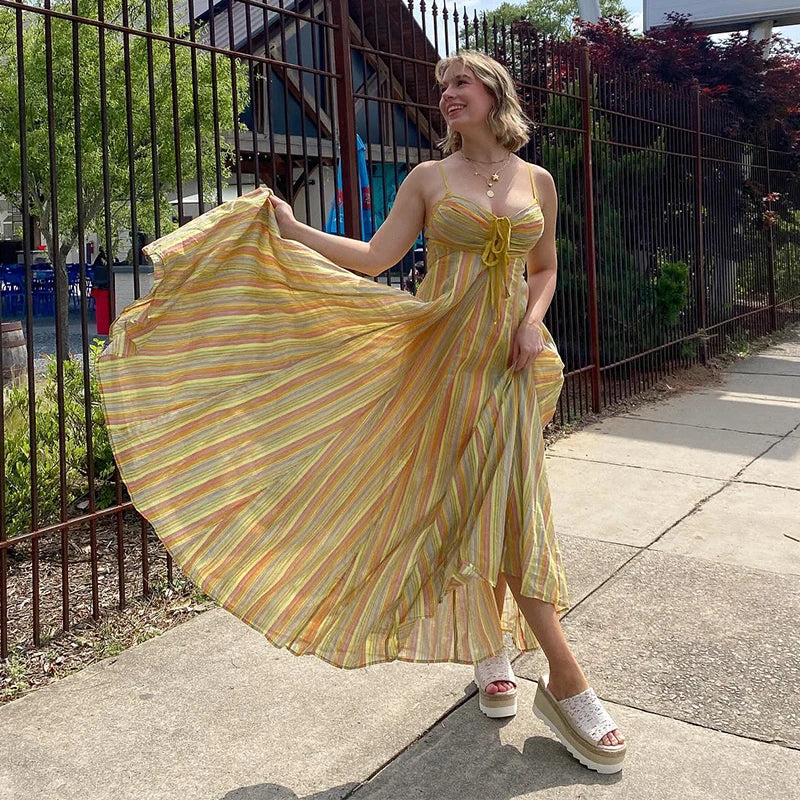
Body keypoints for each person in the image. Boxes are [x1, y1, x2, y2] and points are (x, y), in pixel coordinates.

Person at [97, 50, 625, 777]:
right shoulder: (428, 180)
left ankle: (521, 662)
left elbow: (545, 266)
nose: (446, 95)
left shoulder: (538, 180)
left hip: (507, 367)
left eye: (460, 84)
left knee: (508, 505)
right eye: (441, 87)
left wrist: (534, 319)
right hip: (440, 363)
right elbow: (377, 258)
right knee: (482, 505)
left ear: (494, 93)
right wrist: (291, 229)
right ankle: (552, 676)